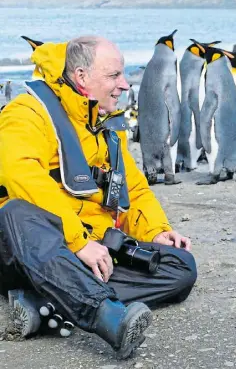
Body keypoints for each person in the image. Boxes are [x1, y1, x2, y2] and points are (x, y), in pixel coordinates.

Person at [0, 36, 197, 359]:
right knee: (16, 212)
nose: (124, 85)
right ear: (81, 77)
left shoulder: (106, 127)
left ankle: (48, 300)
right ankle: (105, 315)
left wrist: (156, 231)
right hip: (24, 248)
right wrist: (78, 241)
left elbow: (132, 188)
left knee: (180, 266)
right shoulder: (29, 112)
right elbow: (17, 172)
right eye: (113, 76)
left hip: (87, 246)